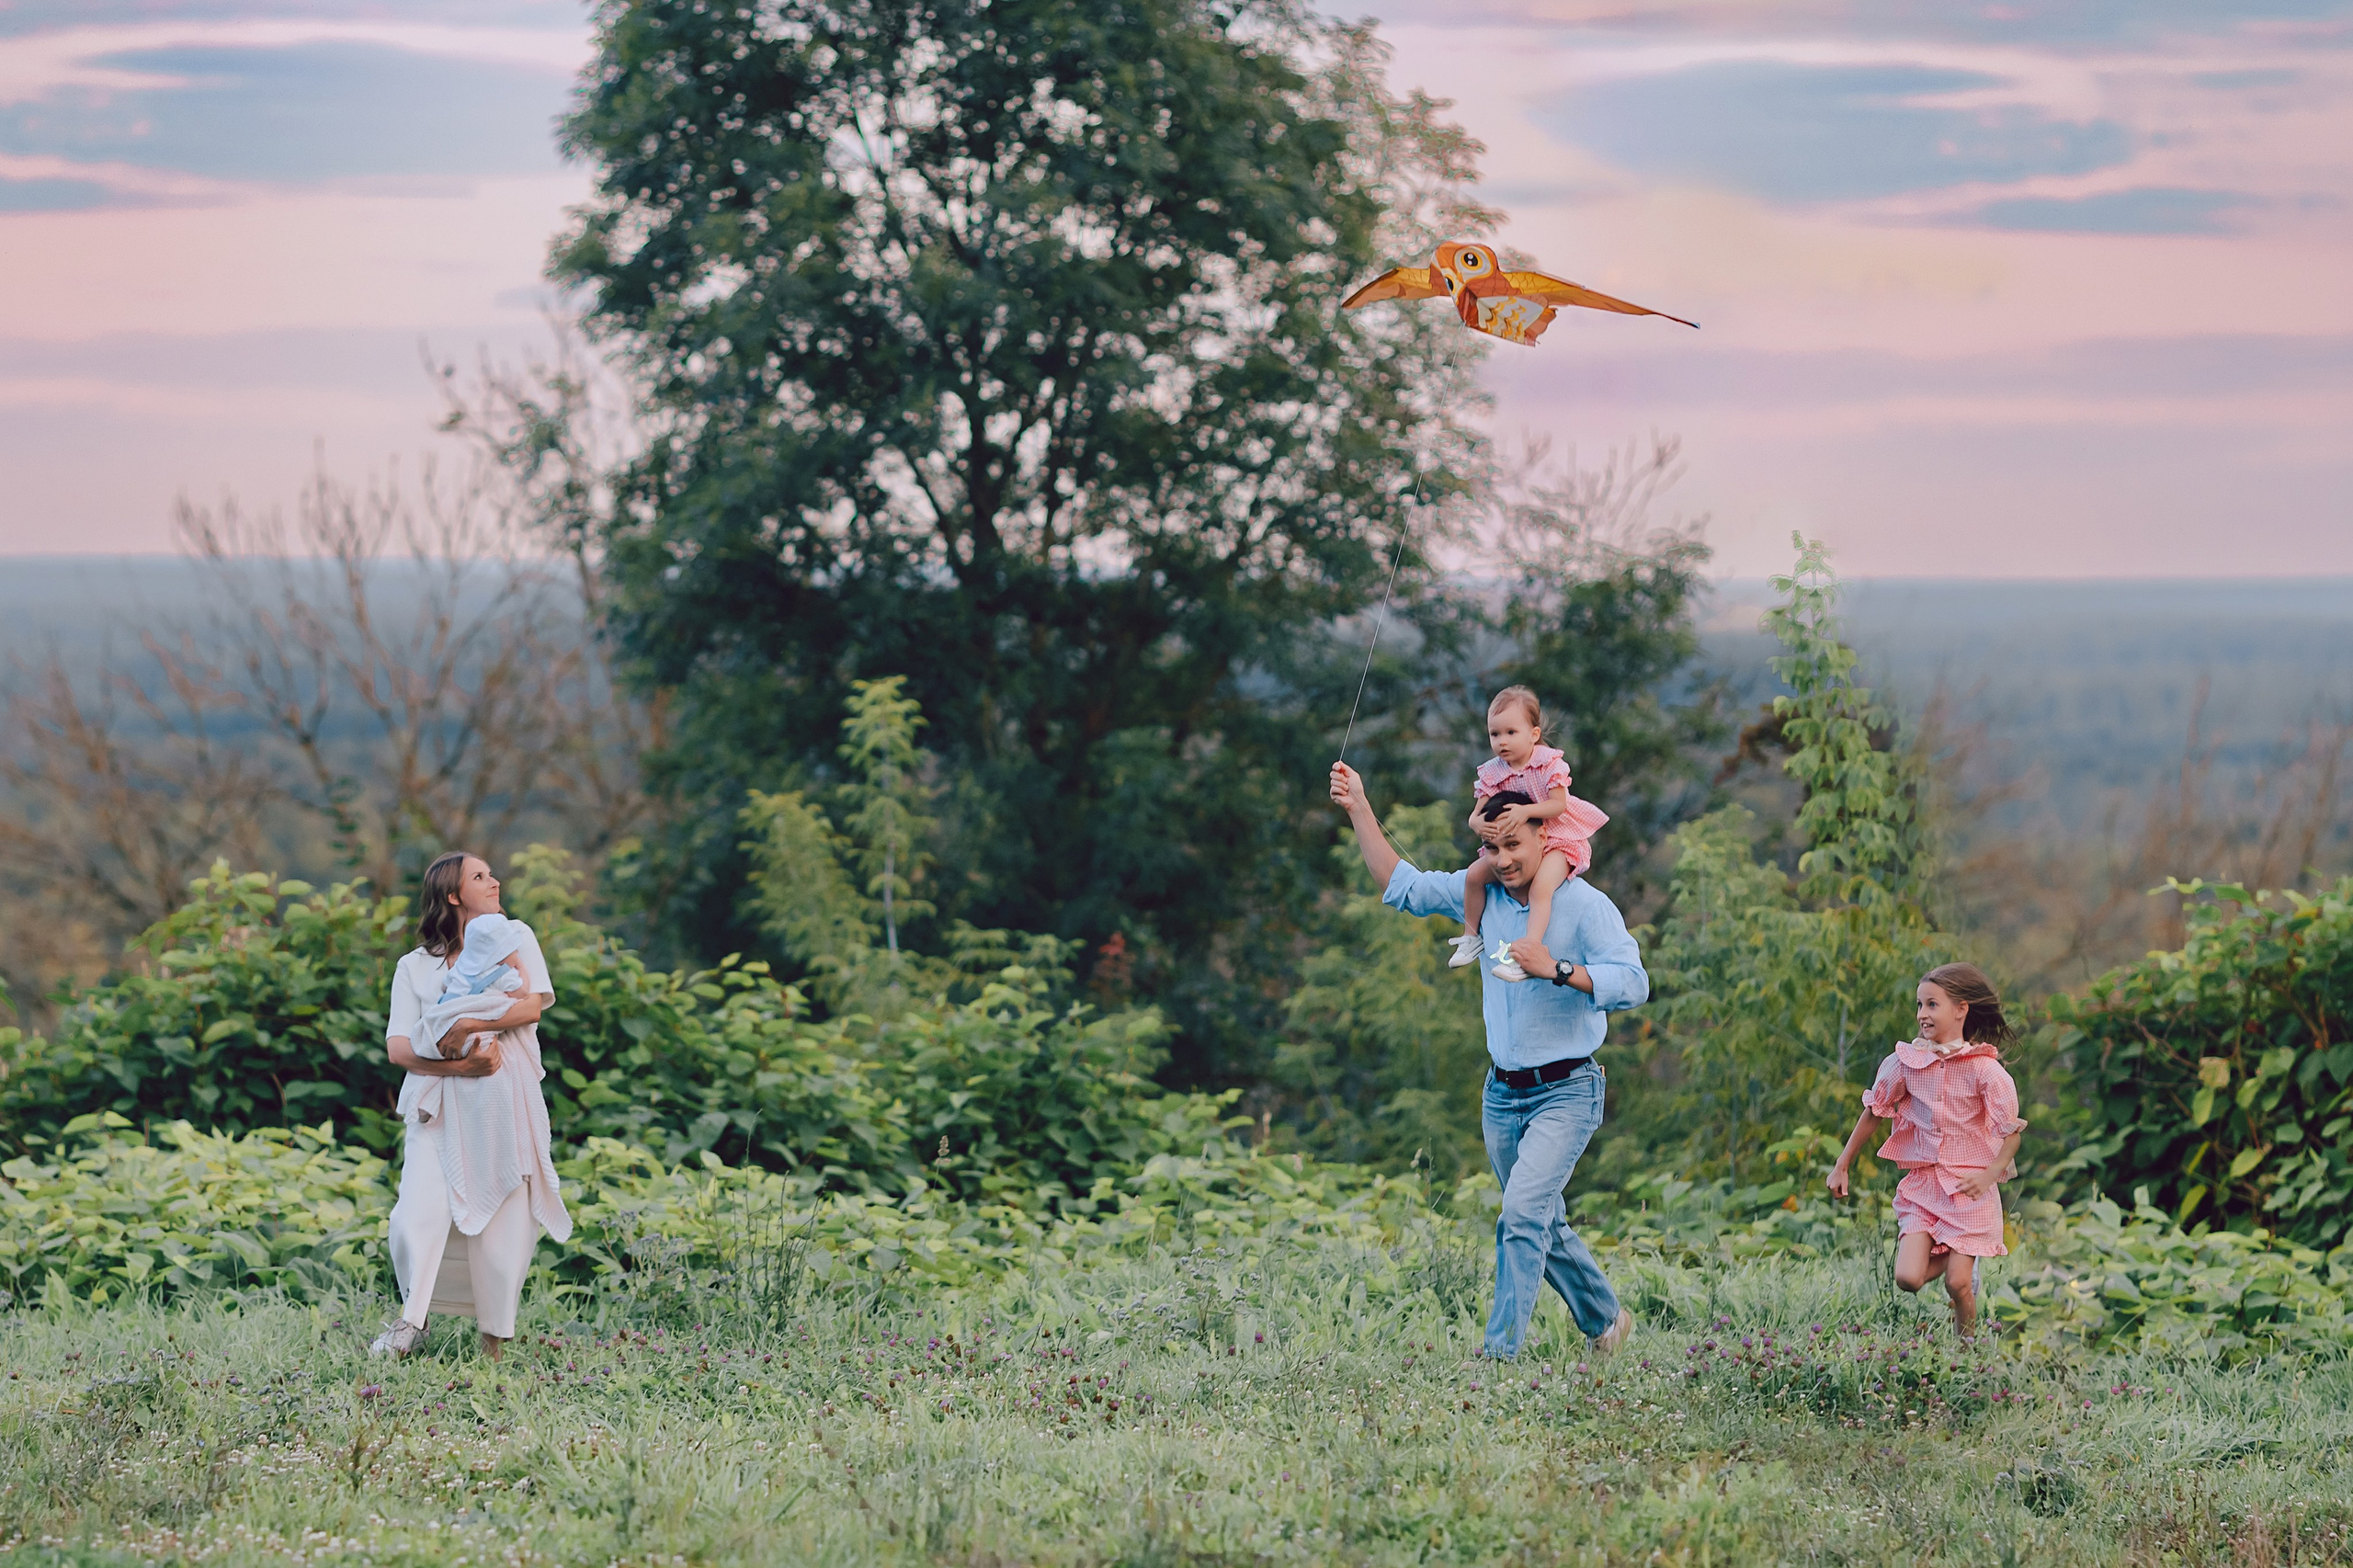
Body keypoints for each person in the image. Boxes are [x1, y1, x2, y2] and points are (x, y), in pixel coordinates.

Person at [1329, 759, 1644, 1360]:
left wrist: (1556, 969)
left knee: (1521, 1215)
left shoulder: (1584, 904)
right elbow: (1403, 885)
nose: (1502, 859)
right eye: (1491, 846)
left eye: (1514, 845)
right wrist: (1358, 806)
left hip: (1569, 1091)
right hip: (1501, 1096)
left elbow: (1634, 983)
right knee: (1541, 1221)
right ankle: (1606, 1320)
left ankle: (1498, 1357)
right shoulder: (1486, 895)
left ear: (1544, 837)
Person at [369, 853, 574, 1360]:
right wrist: (458, 1067)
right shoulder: (414, 967)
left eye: (491, 873)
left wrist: (470, 1026)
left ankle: (494, 1346)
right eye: (480, 877)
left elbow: (531, 1004)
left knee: (505, 1218)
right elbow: (398, 1048)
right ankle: (412, 1320)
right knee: (416, 1212)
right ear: (454, 895)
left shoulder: (514, 936)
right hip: (435, 1104)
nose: (495, 881)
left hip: (500, 1103)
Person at [1825, 962, 2025, 1337]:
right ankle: (1961, 1251)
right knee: (1907, 1278)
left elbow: (2011, 1134)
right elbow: (1874, 1112)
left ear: (1961, 1009)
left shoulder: (1986, 1071)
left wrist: (1987, 1175)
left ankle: (1967, 1353)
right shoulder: (1905, 1063)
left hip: (1970, 1191)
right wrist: (1843, 1164)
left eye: (1932, 1005)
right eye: (1919, 1005)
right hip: (1925, 1187)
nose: (1922, 1014)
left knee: (1957, 1284)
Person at [1450, 687, 1609, 981]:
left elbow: (1558, 805)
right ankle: (1471, 937)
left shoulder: (1548, 763)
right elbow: (1478, 811)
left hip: (1558, 837)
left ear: (1534, 734)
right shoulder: (1493, 771)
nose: (1502, 742)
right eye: (1495, 734)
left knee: (1540, 888)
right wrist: (1475, 823)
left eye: (1511, 732)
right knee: (1473, 876)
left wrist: (1526, 812)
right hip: (1517, 842)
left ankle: (1528, 953)